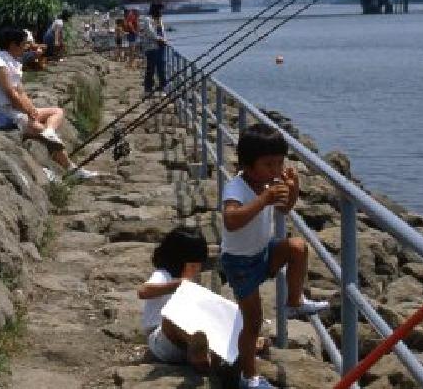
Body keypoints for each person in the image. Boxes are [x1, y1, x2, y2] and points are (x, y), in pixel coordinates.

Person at [221, 124, 329, 389]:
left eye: (280, 163)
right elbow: (231, 220)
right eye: (269, 164)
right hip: (240, 263)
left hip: (262, 251)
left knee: (297, 247)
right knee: (254, 321)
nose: (276, 170)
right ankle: (249, 377)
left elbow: (285, 209)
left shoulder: (269, 182)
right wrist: (264, 198)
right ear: (247, 164)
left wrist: (292, 188)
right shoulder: (236, 187)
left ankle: (294, 301)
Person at [0, 28, 98, 179]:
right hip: (3, 112)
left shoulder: (12, 62)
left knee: (57, 112)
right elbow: (11, 95)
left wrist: (31, 109)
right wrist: (28, 113)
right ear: (13, 45)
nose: (26, 48)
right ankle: (71, 170)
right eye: (23, 44)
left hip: (15, 109)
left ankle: (50, 132)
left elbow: (21, 92)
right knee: (44, 133)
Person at [138, 227, 212, 371]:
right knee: (171, 318)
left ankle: (204, 354)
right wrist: (175, 286)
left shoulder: (191, 279)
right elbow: (143, 291)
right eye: (192, 266)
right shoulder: (164, 275)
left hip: (184, 343)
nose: (197, 270)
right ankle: (196, 351)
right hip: (162, 340)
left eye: (198, 266)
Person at [142, 3, 168, 96]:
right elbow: (150, 32)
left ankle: (163, 88)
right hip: (151, 48)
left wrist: (165, 40)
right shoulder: (147, 20)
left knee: (161, 68)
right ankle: (148, 89)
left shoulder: (160, 21)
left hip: (161, 48)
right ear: (155, 10)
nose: (162, 12)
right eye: (160, 10)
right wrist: (159, 39)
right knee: (151, 68)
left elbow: (163, 33)